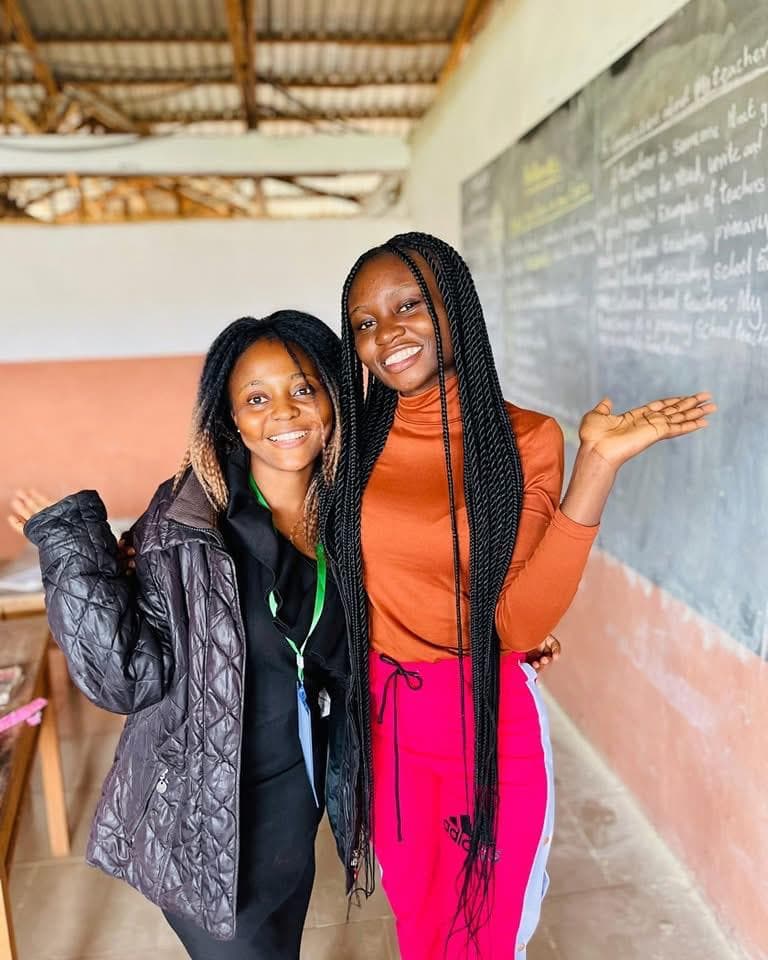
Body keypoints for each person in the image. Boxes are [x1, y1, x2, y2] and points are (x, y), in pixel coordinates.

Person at [326, 232, 716, 959]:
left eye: (408, 304)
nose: (387, 335)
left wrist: (596, 468)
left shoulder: (523, 439)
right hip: (388, 723)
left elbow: (518, 621)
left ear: (455, 306)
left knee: (486, 933)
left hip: (487, 721)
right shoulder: (351, 443)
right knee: (419, 924)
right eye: (366, 323)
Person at [9, 312, 354, 960]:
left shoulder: (345, 515)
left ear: (333, 397)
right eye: (257, 397)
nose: (284, 411)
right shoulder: (188, 518)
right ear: (231, 418)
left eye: (303, 388)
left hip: (294, 806)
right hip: (200, 824)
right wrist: (70, 548)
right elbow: (124, 675)